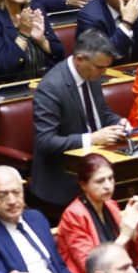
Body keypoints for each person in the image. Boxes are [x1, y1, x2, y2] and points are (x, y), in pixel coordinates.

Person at [29, 27, 126, 209]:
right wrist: (92, 139)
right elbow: (45, 141)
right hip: (63, 177)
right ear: (80, 59)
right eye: (100, 67)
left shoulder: (92, 74)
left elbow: (102, 111)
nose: (104, 73)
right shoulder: (51, 87)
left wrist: (118, 122)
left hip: (97, 166)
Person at [56, 152, 138, 273]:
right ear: (83, 185)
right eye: (100, 181)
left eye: (110, 178)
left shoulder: (111, 205)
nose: (108, 185)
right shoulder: (73, 216)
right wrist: (124, 236)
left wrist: (131, 227)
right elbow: (92, 270)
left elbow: (134, 260)